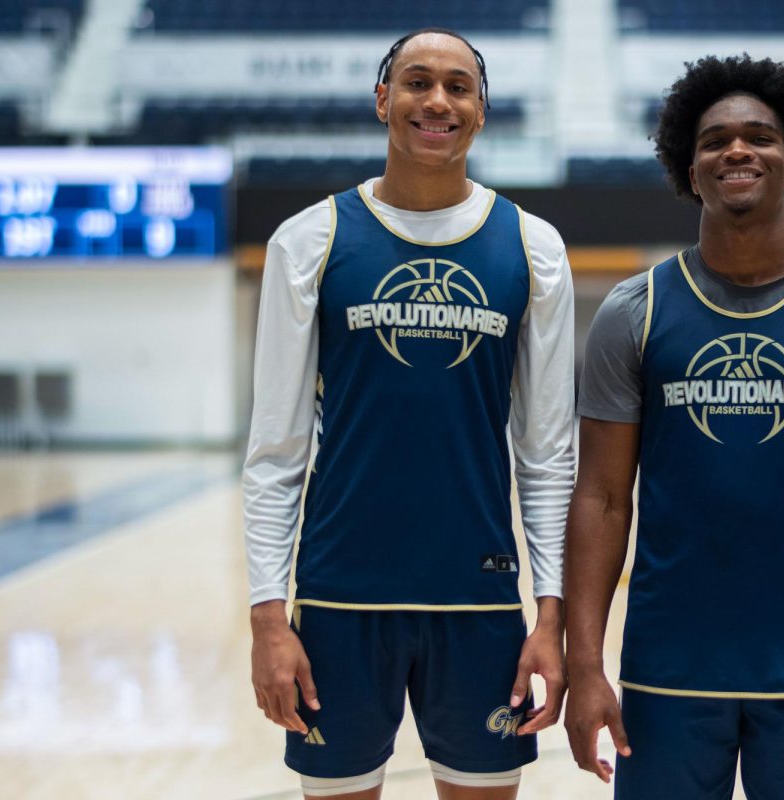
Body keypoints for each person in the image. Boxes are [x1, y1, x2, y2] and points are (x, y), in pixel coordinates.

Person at [563, 54, 784, 800]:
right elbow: (600, 498)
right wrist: (585, 664)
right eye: (715, 140)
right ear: (689, 171)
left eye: (760, 137)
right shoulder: (635, 312)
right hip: (667, 672)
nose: (737, 150)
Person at [242, 28, 574, 800]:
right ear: (383, 99)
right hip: (337, 603)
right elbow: (276, 452)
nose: (438, 100)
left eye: (459, 87)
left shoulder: (534, 247)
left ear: (482, 111)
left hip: (481, 603)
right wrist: (267, 619)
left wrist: (549, 619)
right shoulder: (309, 241)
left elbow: (547, 455)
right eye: (418, 82)